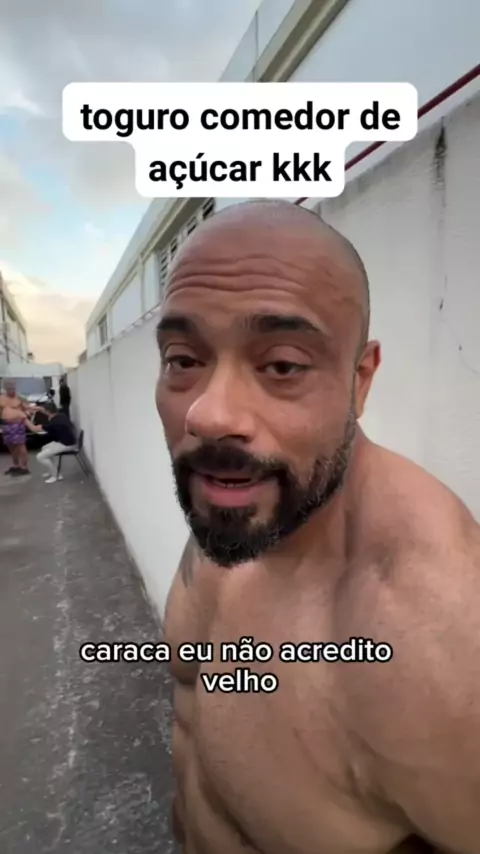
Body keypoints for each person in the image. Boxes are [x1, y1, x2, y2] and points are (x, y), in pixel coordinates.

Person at [155, 200, 480, 854]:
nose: (208, 415)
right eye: (184, 359)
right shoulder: (241, 497)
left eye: (281, 365)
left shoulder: (434, 639)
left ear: (360, 380)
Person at [28, 402, 76, 483]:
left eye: (43, 410)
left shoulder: (53, 423)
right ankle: (52, 470)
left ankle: (56, 475)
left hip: (67, 444)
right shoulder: (61, 415)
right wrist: (34, 408)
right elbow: (44, 410)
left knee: (40, 457)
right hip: (68, 441)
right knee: (44, 448)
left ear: (47, 411)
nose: (42, 412)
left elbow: (34, 429)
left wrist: (24, 419)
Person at [0, 379, 32, 476]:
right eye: (9, 389)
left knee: (20, 445)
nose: (11, 390)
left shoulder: (20, 398)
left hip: (18, 425)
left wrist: (25, 414)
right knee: (11, 446)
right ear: (5, 388)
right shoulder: (1, 398)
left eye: (13, 388)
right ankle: (16, 465)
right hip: (6, 426)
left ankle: (24, 467)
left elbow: (27, 409)